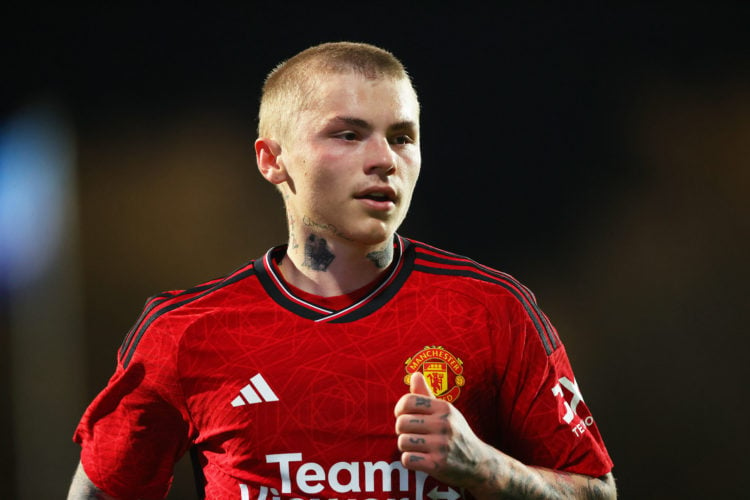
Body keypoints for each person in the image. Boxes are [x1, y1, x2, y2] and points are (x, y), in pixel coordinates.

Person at [68, 41, 616, 499]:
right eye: (349, 134)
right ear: (271, 159)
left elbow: (596, 490)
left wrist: (485, 468)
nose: (384, 158)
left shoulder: (490, 311)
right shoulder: (184, 332)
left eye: (402, 137)